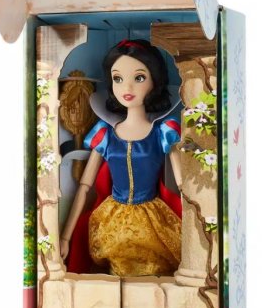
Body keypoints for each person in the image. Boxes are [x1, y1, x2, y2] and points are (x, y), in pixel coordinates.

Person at [59, 38, 183, 277]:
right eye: (118, 79)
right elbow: (84, 186)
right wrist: (65, 237)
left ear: (154, 81)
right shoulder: (105, 133)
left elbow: (182, 185)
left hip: (151, 220)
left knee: (153, 268)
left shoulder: (162, 132)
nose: (127, 87)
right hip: (111, 219)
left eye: (139, 78)